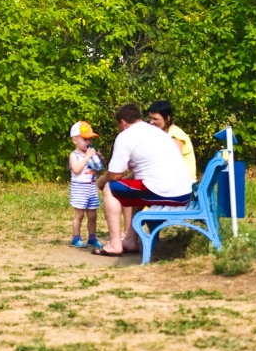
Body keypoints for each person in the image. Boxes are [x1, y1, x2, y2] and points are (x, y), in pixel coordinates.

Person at [93, 103, 193, 257]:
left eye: (118, 126)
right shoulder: (156, 132)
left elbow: (114, 175)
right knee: (135, 188)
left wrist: (102, 180)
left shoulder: (125, 136)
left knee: (110, 189)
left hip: (166, 193)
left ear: (122, 123)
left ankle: (114, 244)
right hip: (184, 193)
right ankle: (130, 240)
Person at [67, 121, 104, 249]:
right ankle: (76, 238)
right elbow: (76, 170)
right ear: (75, 140)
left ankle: (92, 238)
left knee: (93, 214)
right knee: (79, 214)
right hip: (79, 188)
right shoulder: (74, 155)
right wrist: (87, 158)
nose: (88, 142)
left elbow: (98, 168)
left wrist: (99, 159)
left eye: (89, 139)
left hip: (91, 187)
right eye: (84, 139)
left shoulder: (89, 154)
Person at [146, 100, 197, 180]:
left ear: (167, 118)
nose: (151, 122)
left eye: (155, 119)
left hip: (183, 185)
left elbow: (173, 165)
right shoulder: (162, 134)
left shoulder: (175, 136)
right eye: (150, 118)